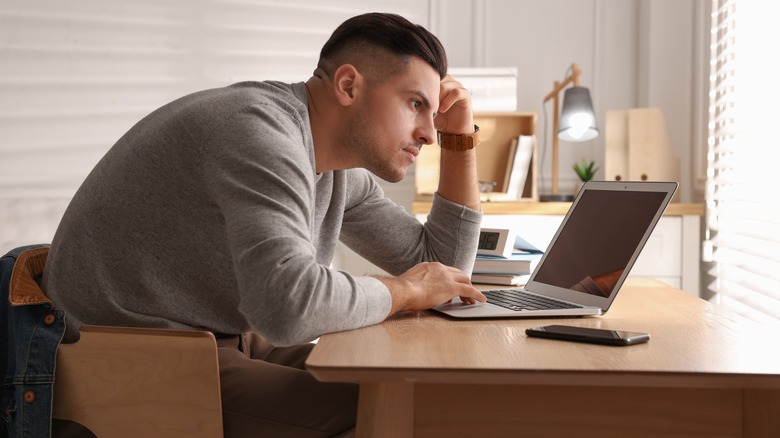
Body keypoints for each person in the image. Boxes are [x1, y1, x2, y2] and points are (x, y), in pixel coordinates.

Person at [42, 12, 486, 437]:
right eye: (415, 104)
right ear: (349, 85)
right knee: (400, 412)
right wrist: (404, 290)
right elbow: (289, 306)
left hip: (219, 337)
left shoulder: (333, 168)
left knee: (413, 388)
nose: (429, 132)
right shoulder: (259, 135)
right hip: (129, 357)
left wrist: (460, 138)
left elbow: (444, 270)